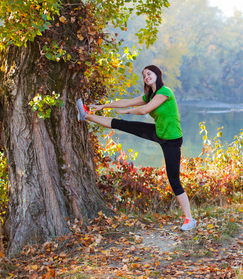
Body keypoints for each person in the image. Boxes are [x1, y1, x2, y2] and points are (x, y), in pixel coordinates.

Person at [76, 65, 196, 231]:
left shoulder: (165, 92)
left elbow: (144, 110)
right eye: (144, 75)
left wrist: (128, 111)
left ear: (157, 74)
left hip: (172, 141)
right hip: (159, 133)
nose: (146, 77)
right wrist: (104, 106)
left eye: (149, 73)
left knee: (174, 180)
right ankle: (86, 115)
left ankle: (189, 219)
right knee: (122, 125)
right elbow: (127, 101)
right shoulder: (149, 95)